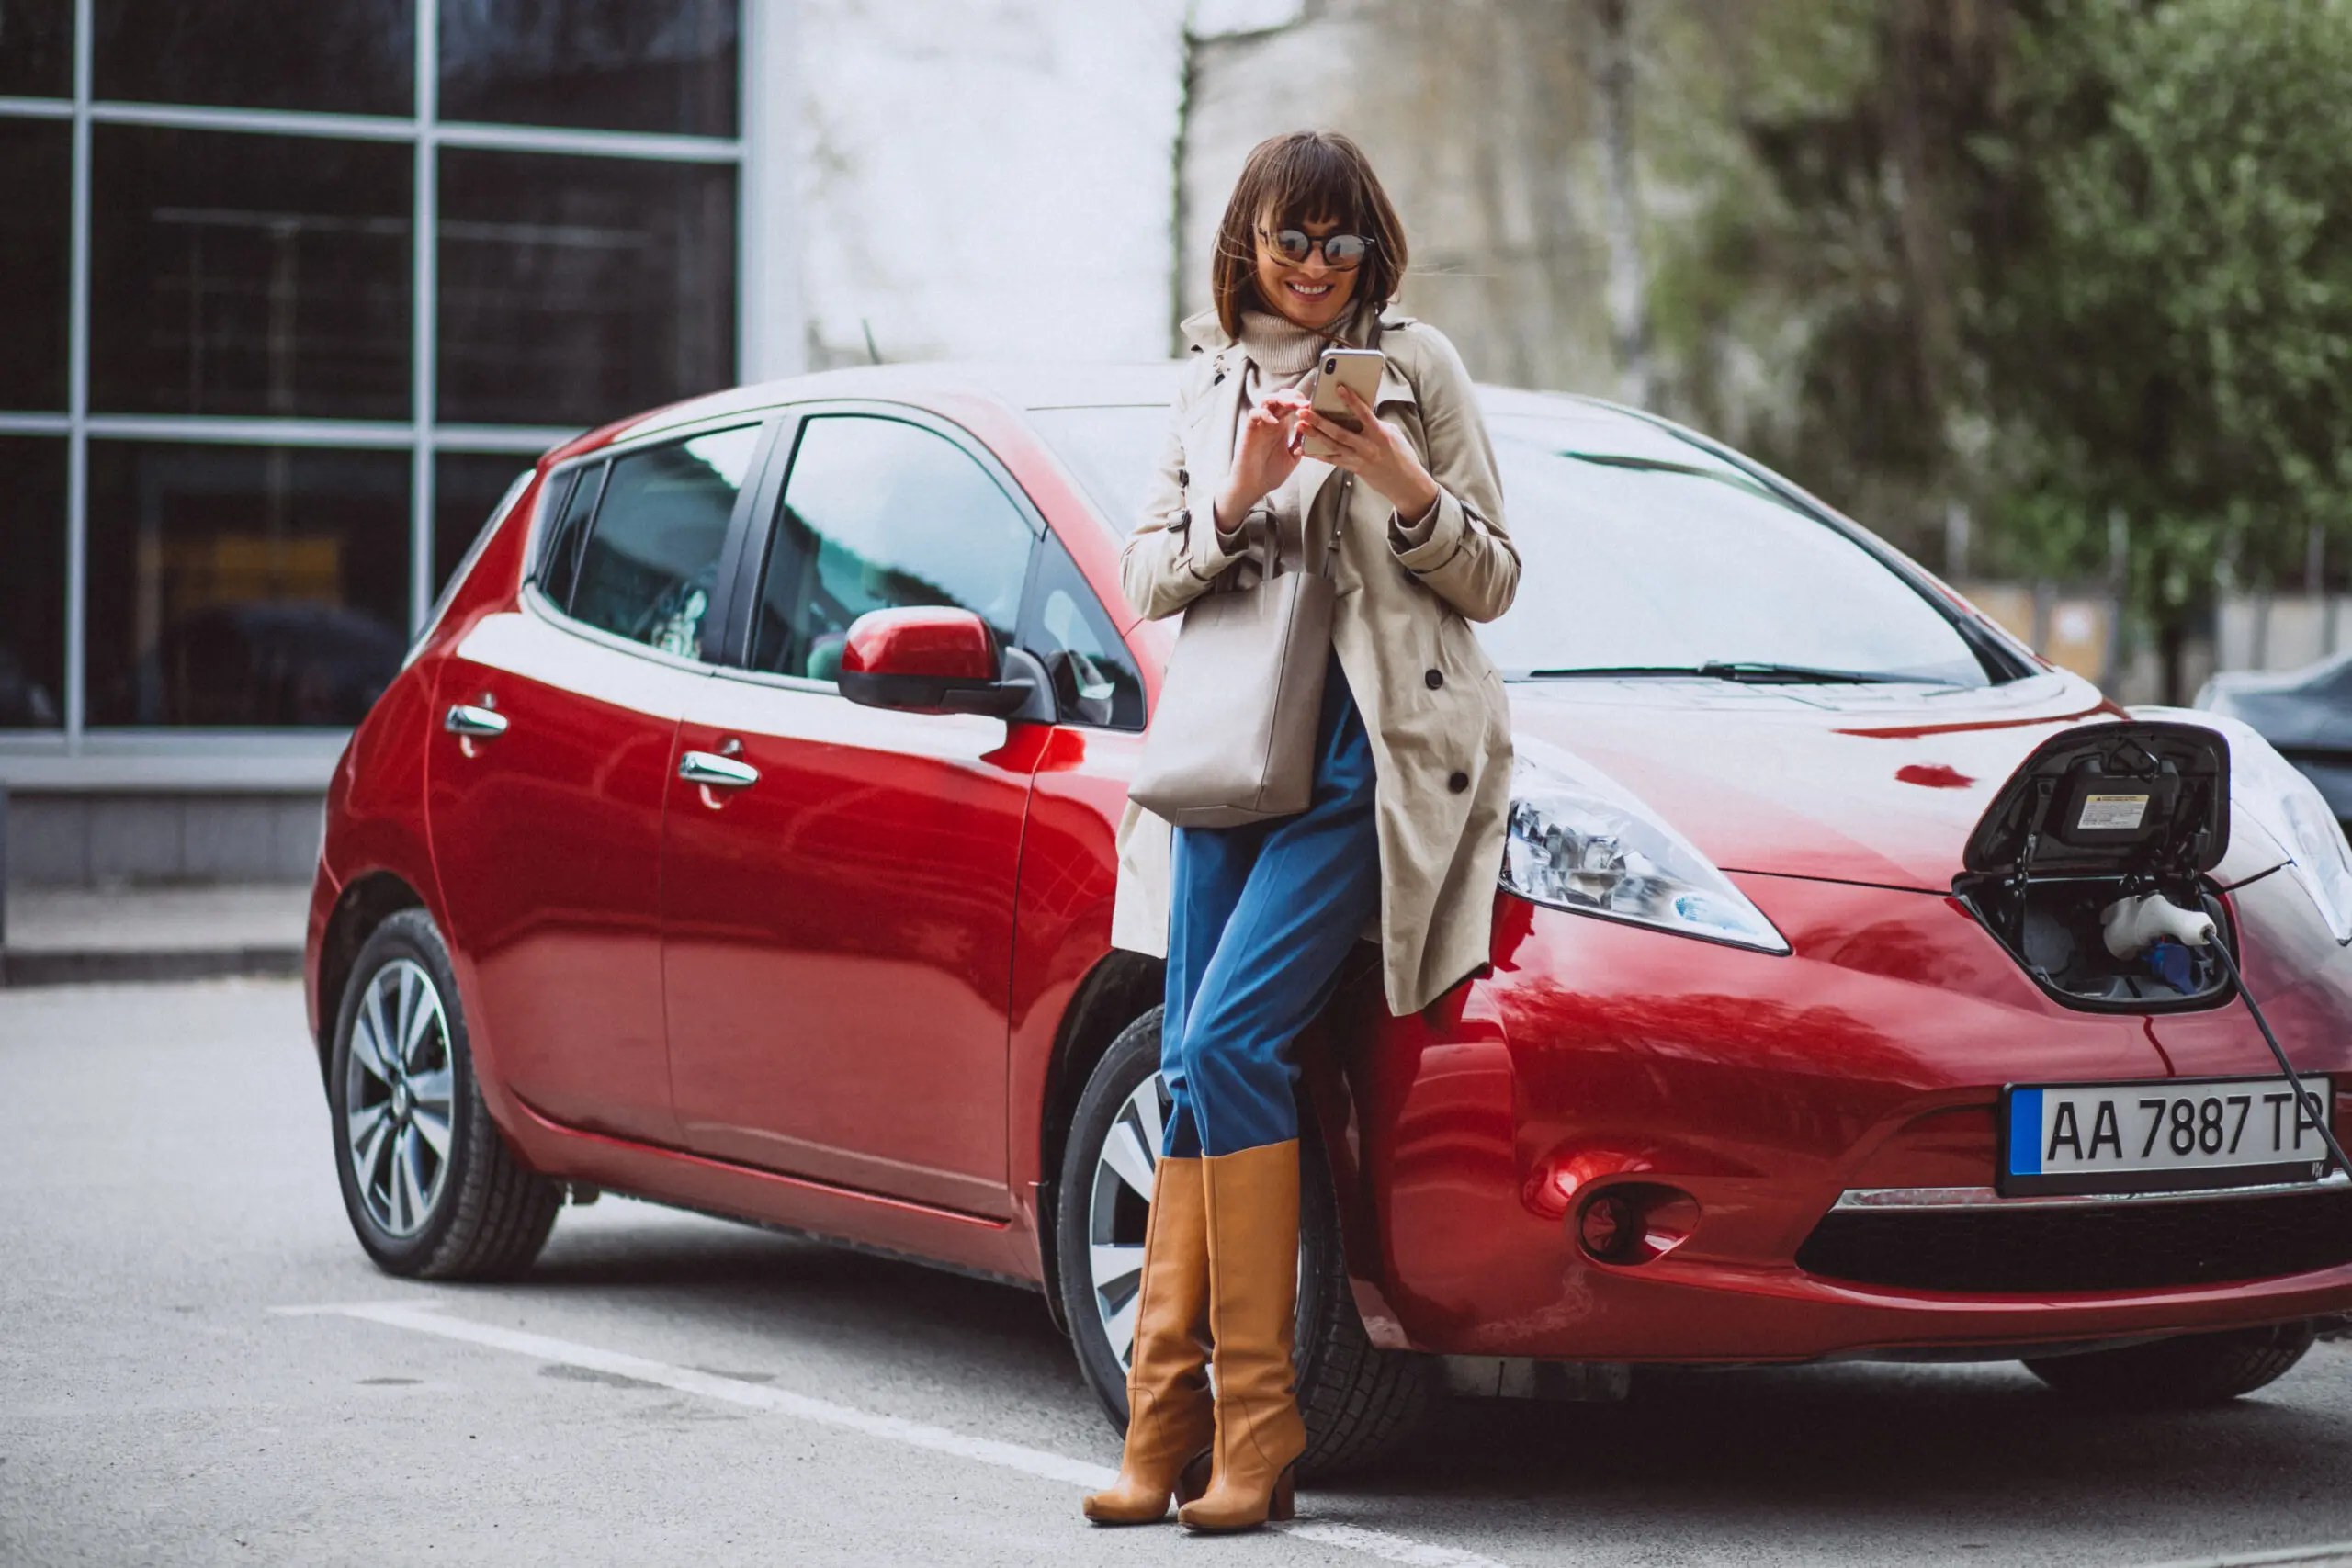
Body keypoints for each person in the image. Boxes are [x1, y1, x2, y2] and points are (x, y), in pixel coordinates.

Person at [1087, 130, 1520, 1532]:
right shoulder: (1208, 388)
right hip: (1227, 759)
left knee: (1222, 1042)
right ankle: (1167, 1424)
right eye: (1291, 242)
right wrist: (1239, 495)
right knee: (1195, 1079)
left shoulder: (1422, 372)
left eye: (1340, 244)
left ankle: (1260, 1426)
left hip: (1360, 760)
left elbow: (1495, 577)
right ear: (1248, 245)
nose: (1316, 269)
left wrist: (1400, 481)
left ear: (1370, 248)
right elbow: (1148, 573)